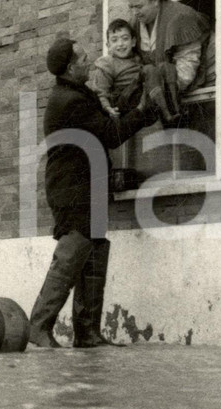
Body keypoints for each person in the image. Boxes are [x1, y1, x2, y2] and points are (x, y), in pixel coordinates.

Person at [28, 35, 159, 348]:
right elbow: (112, 134)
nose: (90, 61)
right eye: (84, 58)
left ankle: (87, 333)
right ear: (71, 67)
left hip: (90, 186)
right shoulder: (70, 100)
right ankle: (38, 326)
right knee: (72, 253)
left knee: (95, 252)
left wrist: (137, 105)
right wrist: (141, 110)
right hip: (72, 189)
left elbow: (108, 122)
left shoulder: (79, 93)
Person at [125, 0, 213, 121]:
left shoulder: (180, 17)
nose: (135, 12)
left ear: (155, 0)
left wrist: (161, 91)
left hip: (203, 84)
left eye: (139, 6)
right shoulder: (135, 24)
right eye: (131, 7)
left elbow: (187, 66)